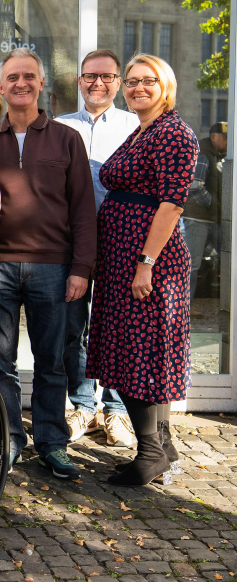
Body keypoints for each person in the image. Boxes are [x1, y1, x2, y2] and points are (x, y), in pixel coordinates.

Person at [0, 47, 96, 480]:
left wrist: (82, 268)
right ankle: (9, 439)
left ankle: (52, 442)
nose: (21, 83)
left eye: (29, 76)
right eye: (13, 77)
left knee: (52, 361)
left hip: (53, 266)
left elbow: (84, 209)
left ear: (41, 83)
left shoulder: (67, 138)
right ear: (2, 85)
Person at [88, 54, 198, 486]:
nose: (137, 88)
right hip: (125, 258)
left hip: (148, 261)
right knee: (141, 351)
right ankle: (162, 446)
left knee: (141, 354)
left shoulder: (174, 133)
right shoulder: (143, 130)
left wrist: (145, 264)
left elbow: (172, 205)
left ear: (165, 85)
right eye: (131, 82)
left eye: (147, 81)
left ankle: (150, 452)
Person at [56, 49, 140, 448]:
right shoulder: (58, 126)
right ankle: (82, 404)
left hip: (121, 243)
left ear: (118, 83)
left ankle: (117, 410)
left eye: (107, 77)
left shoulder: (134, 126)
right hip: (70, 244)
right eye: (90, 76)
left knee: (117, 327)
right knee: (74, 326)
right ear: (79, 81)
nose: (98, 83)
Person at [183, 121, 226, 298]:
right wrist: (213, 204)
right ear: (214, 137)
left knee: (224, 256)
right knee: (192, 265)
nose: (228, 142)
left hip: (210, 219)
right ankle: (185, 306)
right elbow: (195, 185)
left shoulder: (216, 155)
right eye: (225, 138)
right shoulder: (204, 154)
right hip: (199, 219)